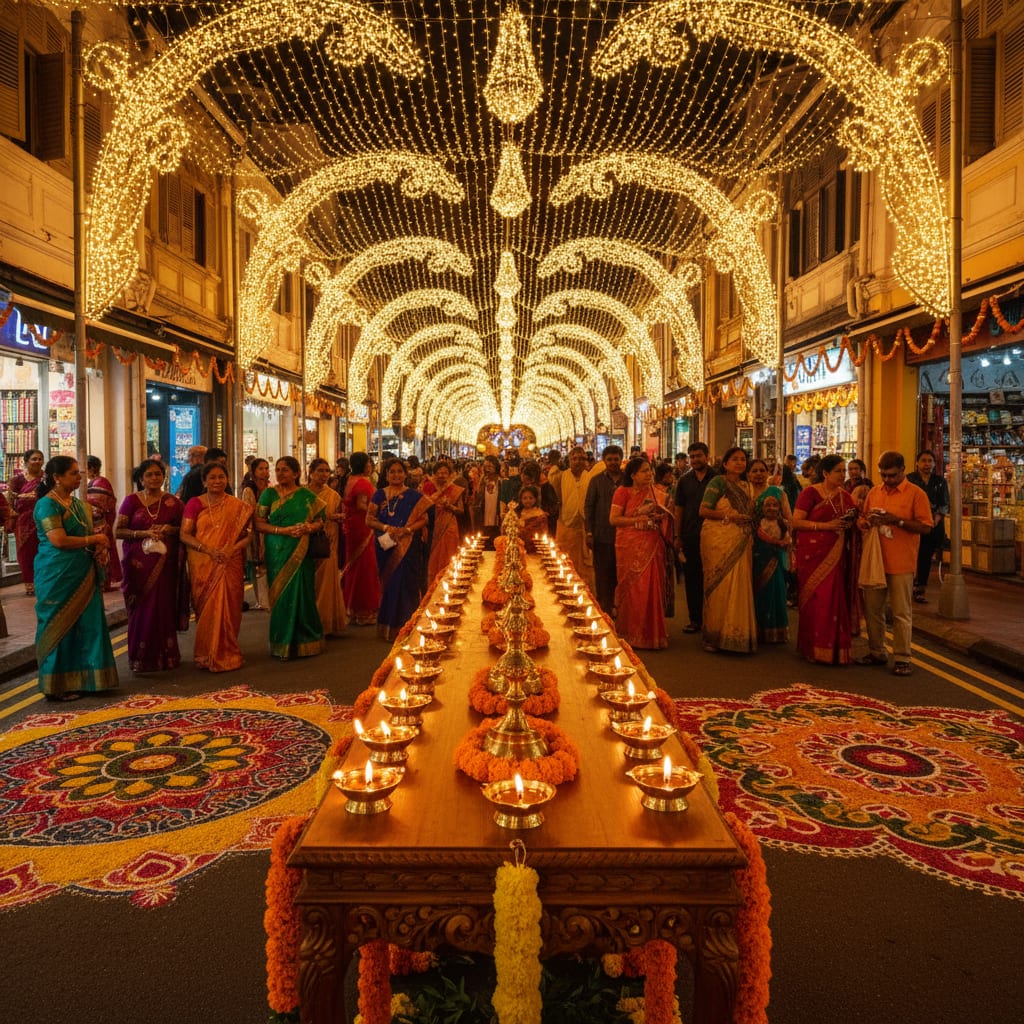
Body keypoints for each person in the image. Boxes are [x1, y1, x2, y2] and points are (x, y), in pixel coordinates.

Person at [33, 456, 119, 699]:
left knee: (89, 624)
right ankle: (57, 686)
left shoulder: (79, 505)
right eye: (73, 473)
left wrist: (98, 547)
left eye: (79, 473)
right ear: (56, 477)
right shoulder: (47, 505)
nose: (79, 477)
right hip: (57, 573)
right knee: (59, 625)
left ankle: (92, 680)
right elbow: (58, 540)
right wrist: (94, 539)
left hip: (83, 571)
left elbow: (87, 534)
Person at [857, 451, 933, 676]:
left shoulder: (916, 494)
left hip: (901, 562)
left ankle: (902, 657)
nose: (887, 480)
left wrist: (897, 521)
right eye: (883, 475)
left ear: (903, 470)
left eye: (892, 475)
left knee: (901, 612)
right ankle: (877, 651)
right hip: (875, 560)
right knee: (872, 610)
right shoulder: (875, 492)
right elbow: (863, 517)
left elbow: (926, 527)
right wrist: (865, 522)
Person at [181, 463, 253, 672]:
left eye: (221, 477)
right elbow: (184, 534)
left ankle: (227, 651)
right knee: (207, 609)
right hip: (204, 563)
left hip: (230, 561)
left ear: (227, 479)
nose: (217, 481)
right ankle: (206, 654)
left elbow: (248, 535)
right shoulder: (195, 504)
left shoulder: (238, 505)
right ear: (204, 482)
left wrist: (232, 549)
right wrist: (208, 550)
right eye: (212, 477)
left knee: (230, 608)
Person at [115, 459, 185, 672]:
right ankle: (142, 658)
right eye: (149, 475)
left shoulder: (174, 502)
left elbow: (185, 530)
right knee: (142, 610)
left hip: (165, 565)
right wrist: (143, 533)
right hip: (138, 567)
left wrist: (170, 530)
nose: (154, 478)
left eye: (158, 474)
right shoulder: (131, 501)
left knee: (163, 607)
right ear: (141, 479)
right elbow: (118, 531)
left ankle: (166, 656)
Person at [255, 457, 326, 660]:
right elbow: (259, 523)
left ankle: (307, 640)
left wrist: (308, 527)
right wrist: (282, 530)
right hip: (276, 549)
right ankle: (281, 642)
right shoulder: (268, 494)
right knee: (280, 595)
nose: (280, 473)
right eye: (278, 470)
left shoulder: (306, 496)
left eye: (285, 470)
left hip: (301, 549)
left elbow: (320, 521)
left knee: (303, 593)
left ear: (296, 473)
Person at [792, 454, 859, 664]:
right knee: (816, 600)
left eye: (844, 471)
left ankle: (834, 650)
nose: (843, 475)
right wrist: (826, 526)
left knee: (833, 599)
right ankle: (812, 647)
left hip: (836, 554)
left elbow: (853, 521)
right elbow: (796, 522)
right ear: (825, 473)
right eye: (838, 471)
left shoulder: (845, 497)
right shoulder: (810, 493)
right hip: (812, 554)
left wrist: (856, 523)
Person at [609, 456, 672, 649]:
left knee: (651, 586)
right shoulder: (622, 492)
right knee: (634, 588)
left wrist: (660, 516)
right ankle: (630, 632)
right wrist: (638, 519)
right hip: (630, 544)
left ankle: (652, 633)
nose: (649, 474)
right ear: (633, 475)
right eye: (644, 471)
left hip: (652, 544)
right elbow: (614, 519)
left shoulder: (656, 492)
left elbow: (664, 518)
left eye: (650, 470)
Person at [699, 446, 756, 653]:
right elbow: (703, 510)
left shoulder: (747, 486)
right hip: (718, 539)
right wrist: (729, 517)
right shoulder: (718, 482)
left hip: (741, 540)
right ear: (725, 464)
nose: (740, 463)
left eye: (743, 459)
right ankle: (714, 635)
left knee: (740, 584)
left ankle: (736, 635)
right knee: (720, 587)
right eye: (735, 459)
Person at [367, 459, 432, 641]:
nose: (396, 475)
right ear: (386, 475)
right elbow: (369, 520)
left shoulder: (415, 496)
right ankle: (389, 627)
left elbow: (424, 519)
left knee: (407, 584)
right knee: (389, 584)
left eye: (399, 471)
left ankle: (408, 626)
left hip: (409, 546)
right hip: (385, 545)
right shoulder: (379, 495)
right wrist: (386, 528)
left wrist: (407, 530)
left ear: (405, 474)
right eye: (392, 472)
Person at [673, 442, 717, 634]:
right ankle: (695, 619)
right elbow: (679, 510)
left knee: (713, 577)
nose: (695, 460)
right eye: (692, 457)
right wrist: (677, 535)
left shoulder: (718, 479)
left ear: (707, 456)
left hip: (715, 535)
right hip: (690, 535)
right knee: (692, 578)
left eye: (699, 456)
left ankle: (713, 620)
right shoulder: (684, 481)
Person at [307, 458, 348, 637]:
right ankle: (309, 622)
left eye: (326, 471)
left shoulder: (334, 495)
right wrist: (327, 517)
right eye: (320, 471)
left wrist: (336, 517)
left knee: (325, 582)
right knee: (309, 583)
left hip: (328, 541)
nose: (324, 475)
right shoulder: (302, 494)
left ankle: (325, 623)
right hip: (305, 541)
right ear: (311, 473)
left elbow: (341, 515)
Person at [341, 452, 382, 625]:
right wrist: (378, 513)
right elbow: (361, 505)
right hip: (362, 527)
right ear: (364, 465)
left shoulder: (349, 480)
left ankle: (353, 608)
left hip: (352, 527)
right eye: (369, 463)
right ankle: (364, 610)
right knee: (365, 567)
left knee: (355, 567)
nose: (370, 466)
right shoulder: (362, 482)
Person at [584, 444, 624, 615]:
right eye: (610, 459)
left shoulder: (628, 480)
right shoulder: (596, 481)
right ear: (604, 461)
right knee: (602, 576)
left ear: (621, 460)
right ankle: (604, 611)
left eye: (616, 459)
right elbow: (589, 507)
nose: (613, 462)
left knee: (621, 575)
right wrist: (589, 532)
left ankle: (621, 610)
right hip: (601, 536)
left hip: (624, 537)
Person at [907, 450, 949, 603]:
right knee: (911, 556)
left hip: (932, 527)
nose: (927, 464)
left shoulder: (940, 481)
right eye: (924, 460)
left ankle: (920, 588)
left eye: (930, 461)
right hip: (913, 525)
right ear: (917, 463)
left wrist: (934, 520)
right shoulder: (910, 480)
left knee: (925, 557)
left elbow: (944, 504)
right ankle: (908, 584)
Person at [551, 446, 594, 589]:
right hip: (567, 525)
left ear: (586, 460)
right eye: (574, 458)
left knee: (586, 564)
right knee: (565, 561)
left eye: (582, 459)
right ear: (569, 460)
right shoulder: (561, 477)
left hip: (585, 526)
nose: (578, 462)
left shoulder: (591, 477)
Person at [752, 491, 790, 644]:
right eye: (768, 505)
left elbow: (787, 543)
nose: (772, 508)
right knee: (761, 596)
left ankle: (776, 632)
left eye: (775, 505)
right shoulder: (757, 525)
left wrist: (782, 544)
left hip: (777, 566)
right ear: (761, 508)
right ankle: (760, 630)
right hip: (759, 565)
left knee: (777, 594)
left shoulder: (783, 524)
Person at [8, 448, 45, 595]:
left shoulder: (47, 479)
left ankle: (43, 583)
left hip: (44, 520)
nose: (37, 462)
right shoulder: (17, 480)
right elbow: (11, 501)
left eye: (40, 459)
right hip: (23, 522)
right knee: (25, 553)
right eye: (34, 459)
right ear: (26, 461)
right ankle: (30, 586)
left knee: (43, 551)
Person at [422, 460, 465, 582]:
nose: (442, 475)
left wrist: (449, 506)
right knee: (433, 559)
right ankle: (433, 584)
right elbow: (421, 508)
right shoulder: (428, 487)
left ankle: (449, 580)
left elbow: (461, 511)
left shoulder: (455, 489)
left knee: (448, 555)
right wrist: (433, 499)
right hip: (432, 526)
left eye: (445, 473)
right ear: (434, 474)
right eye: (439, 472)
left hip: (449, 526)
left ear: (450, 474)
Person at [86, 455, 123, 592]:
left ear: (91, 468)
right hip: (95, 523)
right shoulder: (92, 483)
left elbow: (100, 503)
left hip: (100, 523)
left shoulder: (100, 482)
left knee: (102, 551)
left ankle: (104, 582)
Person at [240, 457, 271, 609]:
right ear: (253, 472)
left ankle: (268, 597)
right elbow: (248, 511)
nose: (264, 472)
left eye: (266, 468)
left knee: (267, 564)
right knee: (257, 566)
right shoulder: (249, 489)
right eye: (261, 469)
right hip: (255, 532)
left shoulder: (269, 488)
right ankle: (261, 599)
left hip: (268, 530)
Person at [473, 454, 502, 548]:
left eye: (490, 466)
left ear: (496, 467)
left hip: (497, 517)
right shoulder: (482, 480)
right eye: (485, 466)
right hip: (483, 517)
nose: (487, 469)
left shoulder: (501, 481)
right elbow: (478, 498)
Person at [515, 485, 549, 550]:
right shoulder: (518, 513)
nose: (528, 500)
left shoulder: (540, 515)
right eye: (525, 498)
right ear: (521, 500)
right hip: (518, 546)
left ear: (535, 499)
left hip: (534, 547)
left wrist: (521, 532)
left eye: (531, 498)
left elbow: (541, 533)